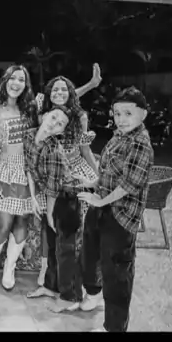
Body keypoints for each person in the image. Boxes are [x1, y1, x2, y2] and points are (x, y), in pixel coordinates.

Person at [77, 87, 154, 332]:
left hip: (121, 216)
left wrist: (101, 201)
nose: (121, 119)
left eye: (128, 113)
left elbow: (129, 184)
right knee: (90, 254)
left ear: (143, 114)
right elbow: (107, 170)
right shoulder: (118, 135)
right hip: (100, 205)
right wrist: (93, 183)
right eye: (118, 113)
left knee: (117, 273)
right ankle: (93, 294)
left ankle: (114, 326)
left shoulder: (141, 144)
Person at [34, 65, 102, 285]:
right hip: (51, 172)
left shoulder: (80, 117)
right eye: (55, 89)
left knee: (75, 224)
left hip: (75, 172)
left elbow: (85, 150)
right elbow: (63, 100)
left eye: (64, 89)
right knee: (49, 223)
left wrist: (98, 177)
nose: (59, 93)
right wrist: (90, 85)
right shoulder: (43, 114)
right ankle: (46, 269)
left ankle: (73, 271)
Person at [0, 65, 40, 291]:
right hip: (4, 172)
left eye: (21, 79)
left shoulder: (30, 110)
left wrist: (91, 85)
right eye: (13, 78)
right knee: (3, 222)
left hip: (26, 173)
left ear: (26, 85)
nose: (16, 83)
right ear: (5, 81)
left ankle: (9, 268)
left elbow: (63, 102)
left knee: (22, 221)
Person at [26, 106, 91, 312]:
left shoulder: (54, 149)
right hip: (51, 197)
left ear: (62, 130)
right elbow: (29, 167)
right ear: (45, 116)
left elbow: (54, 188)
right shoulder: (30, 136)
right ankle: (51, 287)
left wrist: (50, 214)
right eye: (53, 117)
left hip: (66, 200)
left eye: (60, 123)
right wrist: (33, 197)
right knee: (54, 247)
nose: (54, 123)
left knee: (66, 250)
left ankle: (71, 297)